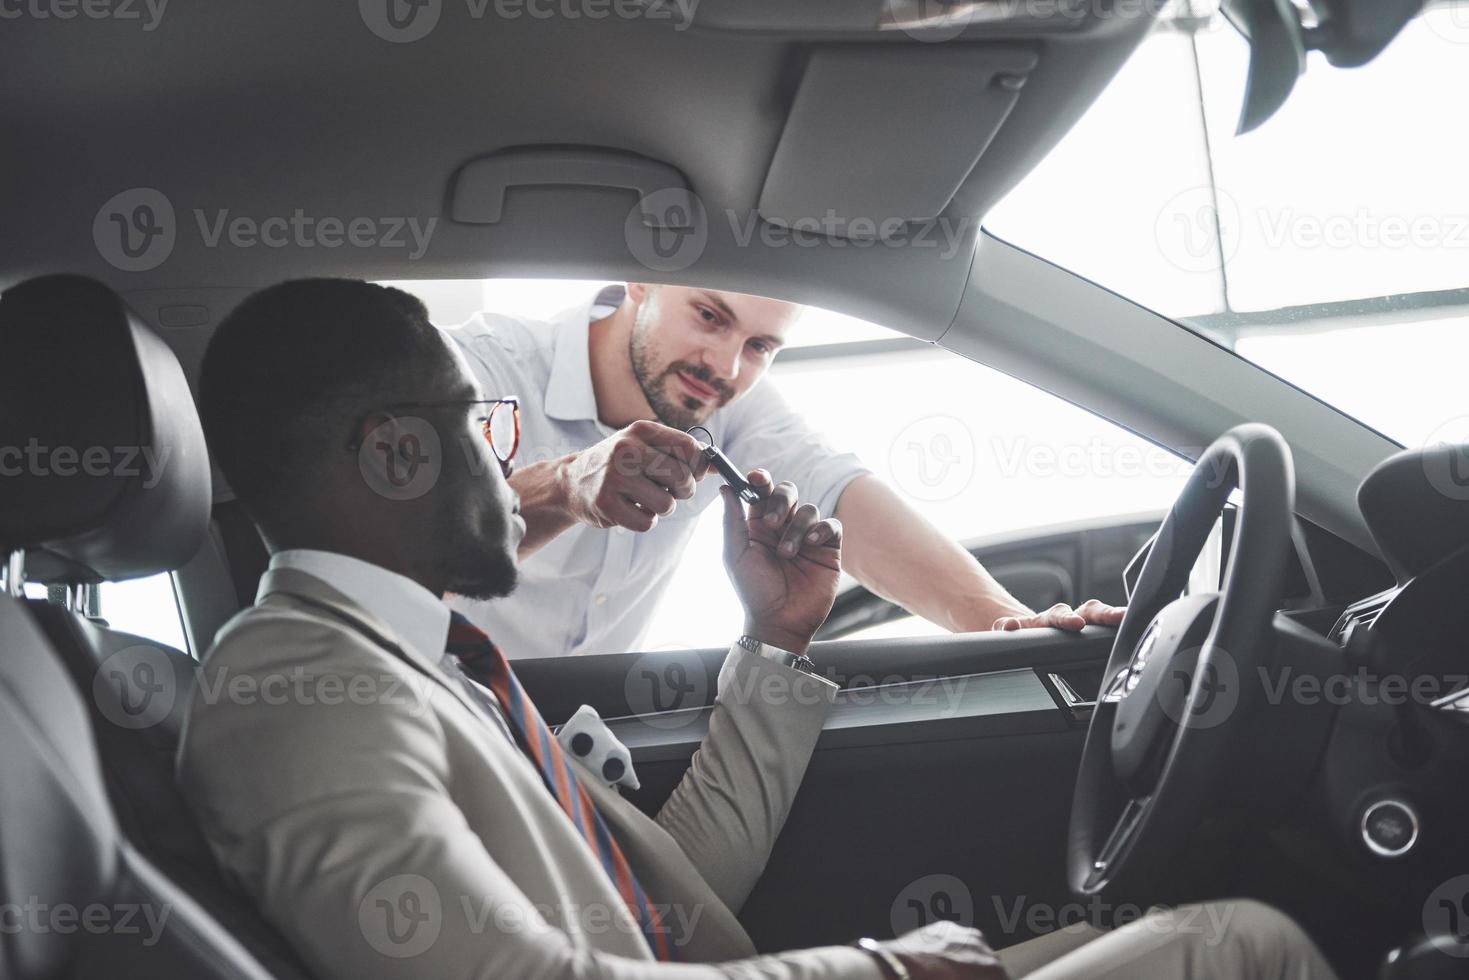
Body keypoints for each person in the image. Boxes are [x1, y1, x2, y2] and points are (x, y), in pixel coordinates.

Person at [180, 279, 1340, 980]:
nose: (728, 364)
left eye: (759, 344)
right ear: (394, 453)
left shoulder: (421, 660)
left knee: (1175, 933)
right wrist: (881, 966)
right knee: (1242, 945)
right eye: (467, 434)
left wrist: (778, 638)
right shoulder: (295, 681)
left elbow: (670, 905)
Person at [443, 282, 1124, 659]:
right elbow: (408, 537)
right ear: (639, 277)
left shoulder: (726, 402)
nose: (725, 366)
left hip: (584, 743)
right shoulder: (482, 366)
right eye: (709, 316)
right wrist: (564, 485)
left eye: (760, 346)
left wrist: (1009, 627)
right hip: (435, 717)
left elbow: (844, 500)